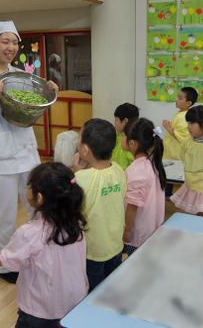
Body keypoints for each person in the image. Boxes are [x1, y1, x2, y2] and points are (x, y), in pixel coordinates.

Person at [0, 21, 58, 283]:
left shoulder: (21, 76)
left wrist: (47, 94)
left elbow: (28, 113)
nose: (11, 47)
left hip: (26, 153)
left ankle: (38, 256)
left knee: (39, 210)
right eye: (5, 41)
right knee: (4, 216)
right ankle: (5, 266)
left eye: (15, 42)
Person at [0, 162, 88, 328]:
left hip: (39, 308)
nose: (26, 189)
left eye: (29, 186)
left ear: (39, 198)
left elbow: (9, 260)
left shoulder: (30, 233)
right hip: (73, 303)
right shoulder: (76, 224)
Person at [72, 118, 127, 291]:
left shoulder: (80, 179)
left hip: (93, 251)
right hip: (116, 244)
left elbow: (72, 207)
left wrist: (76, 173)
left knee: (92, 292)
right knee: (110, 288)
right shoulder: (118, 170)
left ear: (85, 149)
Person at [121, 118, 166, 256]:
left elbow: (133, 206)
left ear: (132, 143)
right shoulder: (152, 162)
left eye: (123, 136)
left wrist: (127, 229)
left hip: (138, 232)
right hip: (151, 227)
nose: (121, 138)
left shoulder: (138, 170)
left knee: (133, 261)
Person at [162, 86, 196, 197]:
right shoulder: (181, 113)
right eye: (177, 97)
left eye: (180, 98)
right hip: (171, 151)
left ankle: (173, 195)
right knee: (168, 173)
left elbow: (180, 137)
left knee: (172, 173)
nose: (176, 99)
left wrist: (168, 127)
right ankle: (167, 193)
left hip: (175, 153)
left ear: (188, 103)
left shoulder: (184, 117)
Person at [112, 103, 139, 170]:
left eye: (116, 120)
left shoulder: (131, 142)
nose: (115, 123)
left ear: (125, 121)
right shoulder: (118, 136)